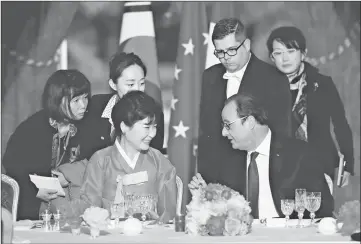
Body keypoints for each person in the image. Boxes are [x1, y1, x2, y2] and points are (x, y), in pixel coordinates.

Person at [190, 93, 334, 219]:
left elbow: (323, 210)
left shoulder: (299, 155)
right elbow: (225, 211)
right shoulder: (226, 159)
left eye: (228, 125)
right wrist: (207, 195)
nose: (223, 132)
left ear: (250, 122)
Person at [198, 18, 292, 193]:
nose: (225, 58)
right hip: (219, 179)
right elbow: (207, 132)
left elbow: (282, 132)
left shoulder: (274, 79)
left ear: (247, 45)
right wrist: (206, 180)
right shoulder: (209, 77)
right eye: (220, 52)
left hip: (259, 174)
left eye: (231, 50)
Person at [266, 26, 354, 183]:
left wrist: (347, 165)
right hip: (279, 169)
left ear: (303, 53)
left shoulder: (323, 84)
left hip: (319, 164)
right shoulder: (266, 88)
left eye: (291, 51)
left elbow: (340, 124)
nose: (285, 59)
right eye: (278, 53)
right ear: (272, 58)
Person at [2, 69, 91, 220]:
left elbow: (96, 162)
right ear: (57, 101)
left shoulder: (89, 126)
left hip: (74, 209)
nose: (83, 105)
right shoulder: (30, 129)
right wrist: (35, 191)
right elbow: (12, 166)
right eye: (76, 101)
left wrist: (70, 176)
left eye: (85, 98)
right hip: (34, 210)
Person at [80, 90, 176, 223]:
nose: (152, 134)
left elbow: (167, 214)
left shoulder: (159, 161)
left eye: (155, 127)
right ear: (124, 126)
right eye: (147, 127)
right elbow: (90, 211)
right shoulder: (100, 160)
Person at [82, 51, 165, 160]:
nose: (137, 90)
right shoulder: (95, 105)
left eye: (142, 83)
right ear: (113, 84)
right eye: (130, 84)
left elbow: (153, 159)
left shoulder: (154, 112)